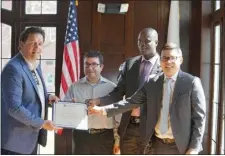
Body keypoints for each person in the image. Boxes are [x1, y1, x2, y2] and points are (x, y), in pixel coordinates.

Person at [89, 42, 206, 154]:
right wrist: (104, 110)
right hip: (157, 146)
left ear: (180, 60)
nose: (168, 61)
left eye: (172, 58)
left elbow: (199, 118)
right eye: (164, 58)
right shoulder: (153, 82)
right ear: (160, 61)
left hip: (182, 147)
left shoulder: (191, 82)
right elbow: (131, 102)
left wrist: (194, 148)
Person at [88, 28, 162, 154]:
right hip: (129, 128)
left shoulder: (165, 66)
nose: (142, 44)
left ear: (156, 43)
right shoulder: (130, 64)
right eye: (139, 41)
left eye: (147, 41)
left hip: (154, 129)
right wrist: (99, 101)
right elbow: (118, 93)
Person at [1, 27, 61, 155]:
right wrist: (42, 123)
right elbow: (14, 108)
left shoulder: (34, 65)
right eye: (33, 43)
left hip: (30, 139)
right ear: (21, 44)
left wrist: (48, 97)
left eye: (40, 44)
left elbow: (33, 92)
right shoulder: (14, 69)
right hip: (15, 143)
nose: (37, 47)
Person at [63, 50, 121, 155]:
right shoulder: (74, 87)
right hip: (81, 136)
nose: (90, 68)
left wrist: (117, 140)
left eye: (94, 64)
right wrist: (70, 108)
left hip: (105, 137)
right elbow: (65, 113)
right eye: (87, 64)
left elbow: (118, 116)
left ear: (101, 67)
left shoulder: (112, 88)